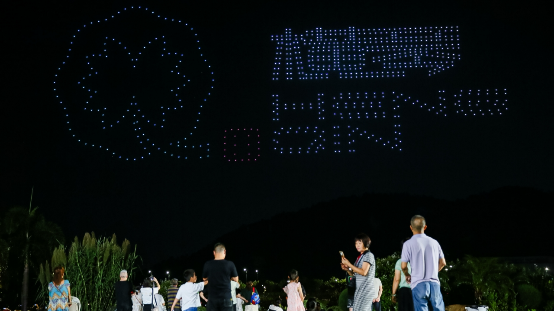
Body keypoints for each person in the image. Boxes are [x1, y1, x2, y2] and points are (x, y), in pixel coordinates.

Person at [401, 215, 447, 311]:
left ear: (411, 227)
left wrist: (407, 275)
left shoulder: (407, 244)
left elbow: (404, 266)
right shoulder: (434, 242)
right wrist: (434, 272)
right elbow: (443, 263)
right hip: (434, 283)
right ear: (425, 227)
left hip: (418, 283)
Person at [340, 233, 376, 311]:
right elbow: (354, 274)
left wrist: (349, 264)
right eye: (356, 243)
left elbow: (364, 272)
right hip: (359, 291)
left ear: (366, 243)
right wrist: (347, 269)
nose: (357, 245)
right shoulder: (359, 257)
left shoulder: (368, 255)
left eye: (360, 243)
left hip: (366, 292)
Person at [202, 243, 239, 311]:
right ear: (224, 251)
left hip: (212, 299)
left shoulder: (207, 264)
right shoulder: (230, 264)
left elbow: (204, 279)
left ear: (214, 252)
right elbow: (236, 279)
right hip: (226, 298)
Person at [392, 239, 415, 311]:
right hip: (416, 290)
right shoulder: (417, 261)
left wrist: (393, 294)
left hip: (404, 291)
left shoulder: (400, 262)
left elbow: (396, 279)